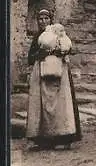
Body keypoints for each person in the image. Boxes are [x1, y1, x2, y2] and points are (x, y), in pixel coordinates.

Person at [26, 9, 81, 150]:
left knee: (62, 106)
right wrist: (41, 53)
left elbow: (68, 48)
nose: (43, 21)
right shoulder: (37, 37)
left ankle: (63, 137)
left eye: (46, 19)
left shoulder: (58, 33)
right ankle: (44, 140)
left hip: (59, 75)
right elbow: (30, 58)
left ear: (51, 20)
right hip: (41, 74)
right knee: (42, 107)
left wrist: (60, 52)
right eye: (40, 19)